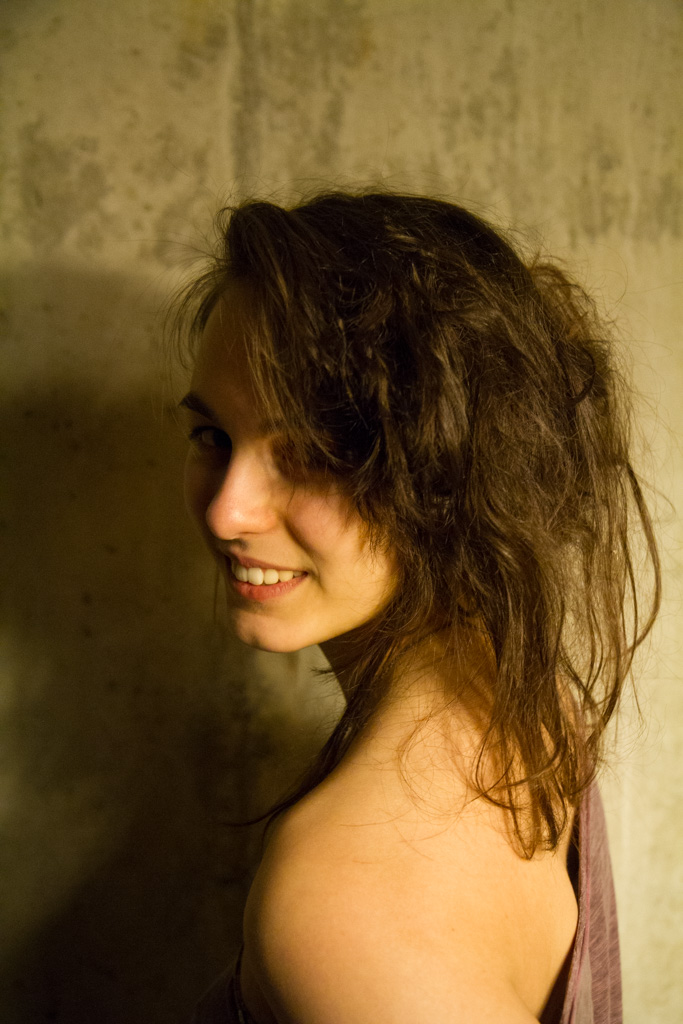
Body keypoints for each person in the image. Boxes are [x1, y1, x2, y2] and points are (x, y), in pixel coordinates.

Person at [174, 190, 660, 1024]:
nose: (226, 511)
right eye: (214, 436)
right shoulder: (525, 706)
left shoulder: (343, 900)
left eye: (312, 454)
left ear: (450, 472)